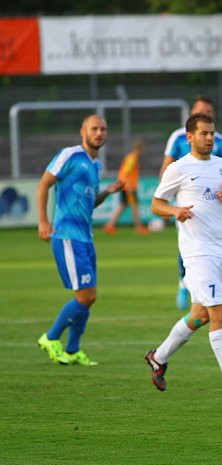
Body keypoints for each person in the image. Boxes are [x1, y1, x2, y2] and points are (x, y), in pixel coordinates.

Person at [145, 113, 222, 394]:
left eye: (212, 133)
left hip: (221, 250)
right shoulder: (178, 168)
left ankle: (158, 358)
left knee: (201, 315)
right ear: (189, 137)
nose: (209, 138)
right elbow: (156, 204)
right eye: (204, 134)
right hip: (196, 252)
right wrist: (175, 211)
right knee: (220, 310)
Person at [36, 115, 124, 366]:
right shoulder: (70, 155)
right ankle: (51, 337)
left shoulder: (95, 166)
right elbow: (44, 184)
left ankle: (73, 350)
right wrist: (43, 221)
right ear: (82, 131)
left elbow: (90, 201)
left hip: (86, 239)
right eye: (94, 129)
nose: (99, 133)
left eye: (103, 129)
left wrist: (107, 192)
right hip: (66, 236)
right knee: (85, 296)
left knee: (90, 296)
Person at [160, 96, 222, 311]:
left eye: (209, 112)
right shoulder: (178, 137)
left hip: (214, 204)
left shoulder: (220, 141)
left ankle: (198, 289)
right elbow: (166, 167)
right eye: (201, 111)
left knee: (211, 244)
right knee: (190, 241)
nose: (206, 114)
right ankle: (184, 282)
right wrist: (169, 204)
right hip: (185, 202)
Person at [104, 140, 147, 235]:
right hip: (128, 186)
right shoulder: (132, 158)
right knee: (134, 206)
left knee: (123, 206)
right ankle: (139, 227)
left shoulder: (130, 157)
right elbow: (127, 173)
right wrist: (130, 187)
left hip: (124, 185)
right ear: (140, 149)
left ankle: (109, 225)